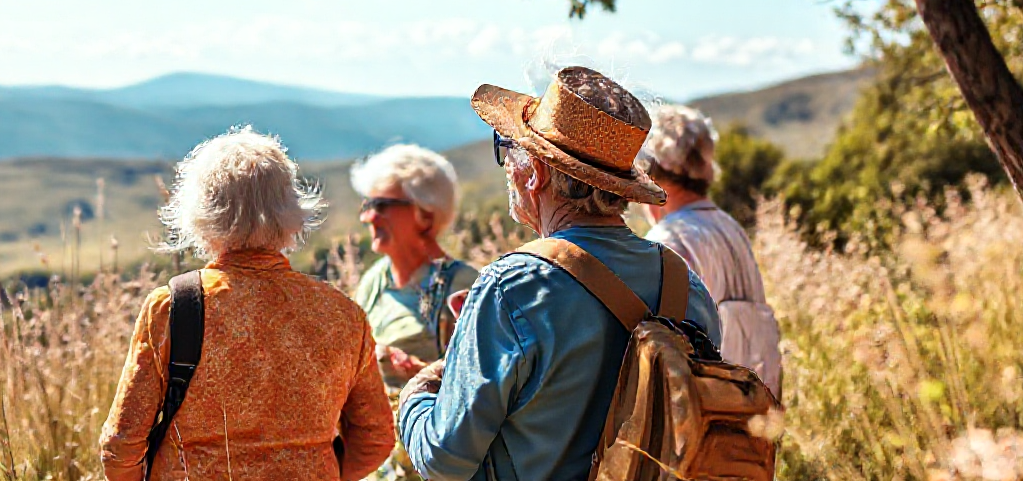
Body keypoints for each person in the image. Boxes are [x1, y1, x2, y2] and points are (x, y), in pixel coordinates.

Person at [397, 66, 722, 481]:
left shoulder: (510, 289)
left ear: (536, 171)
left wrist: (417, 394)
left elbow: (445, 460)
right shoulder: (687, 286)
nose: (506, 169)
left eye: (508, 149)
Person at [99, 128, 395, 481]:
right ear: (291, 211)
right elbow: (376, 438)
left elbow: (120, 444)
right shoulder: (342, 315)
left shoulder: (173, 307)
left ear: (201, 213)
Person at [638, 104, 783, 398]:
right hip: (755, 414)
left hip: (707, 420)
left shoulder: (668, 241)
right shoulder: (731, 228)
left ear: (649, 171)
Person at [350, 144, 478, 389]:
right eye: (368, 205)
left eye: (382, 206)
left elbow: (482, 385)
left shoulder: (463, 287)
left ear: (426, 215)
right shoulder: (373, 281)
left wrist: (421, 373)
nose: (368, 218)